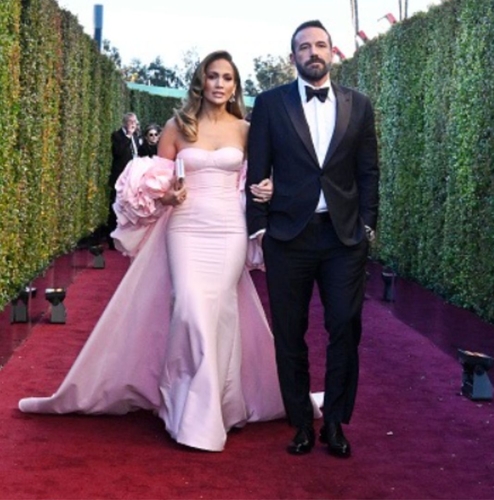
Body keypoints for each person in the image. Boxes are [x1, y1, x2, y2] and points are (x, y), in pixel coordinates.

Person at [18, 50, 300, 452]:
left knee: (219, 312)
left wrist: (266, 188)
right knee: (188, 308)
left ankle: (218, 406)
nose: (220, 84)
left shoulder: (246, 130)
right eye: (213, 76)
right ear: (201, 81)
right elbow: (154, 185)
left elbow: (259, 179)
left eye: (228, 78)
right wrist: (167, 196)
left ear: (236, 86)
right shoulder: (176, 126)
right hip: (185, 227)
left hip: (228, 229)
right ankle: (183, 404)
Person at [245, 20, 379, 458]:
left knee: (344, 326)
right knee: (290, 332)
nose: (313, 52)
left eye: (320, 45)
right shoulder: (268, 104)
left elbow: (368, 171)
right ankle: (301, 422)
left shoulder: (359, 106)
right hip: (288, 236)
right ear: (293, 57)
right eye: (304, 47)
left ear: (332, 52)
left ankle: (335, 422)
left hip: (343, 238)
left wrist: (367, 226)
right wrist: (260, 228)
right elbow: (257, 172)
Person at [108, 112, 141, 248]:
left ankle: (127, 239)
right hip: (119, 178)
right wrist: (127, 136)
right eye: (131, 122)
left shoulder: (136, 137)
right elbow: (118, 152)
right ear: (125, 123)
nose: (133, 125)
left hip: (132, 178)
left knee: (130, 209)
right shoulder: (117, 136)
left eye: (135, 122)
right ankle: (112, 240)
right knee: (116, 208)